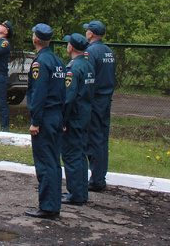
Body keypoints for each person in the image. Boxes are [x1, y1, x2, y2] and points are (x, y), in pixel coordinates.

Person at [25, 23, 66, 219]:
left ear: (35, 39)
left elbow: (39, 94)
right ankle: (53, 203)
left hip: (46, 117)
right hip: (57, 115)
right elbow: (64, 92)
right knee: (54, 162)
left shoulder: (40, 63)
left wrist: (36, 121)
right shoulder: (58, 61)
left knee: (45, 162)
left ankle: (48, 207)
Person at [61, 33, 95, 206]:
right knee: (81, 154)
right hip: (85, 114)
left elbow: (68, 98)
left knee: (71, 154)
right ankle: (81, 193)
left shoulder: (73, 68)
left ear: (71, 47)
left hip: (74, 117)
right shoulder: (88, 65)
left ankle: (75, 194)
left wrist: (63, 120)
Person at [84, 19, 116, 192]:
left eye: (87, 31)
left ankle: (96, 179)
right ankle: (100, 175)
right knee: (103, 137)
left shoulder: (91, 52)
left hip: (95, 99)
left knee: (94, 137)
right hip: (106, 98)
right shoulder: (108, 51)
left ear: (91, 34)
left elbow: (88, 78)